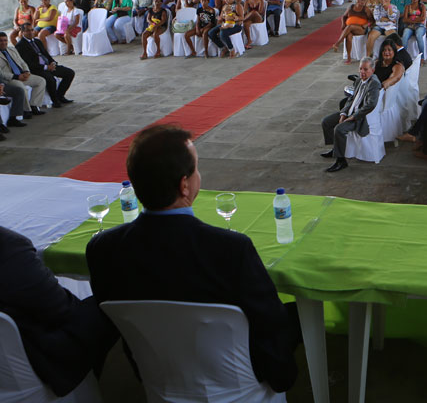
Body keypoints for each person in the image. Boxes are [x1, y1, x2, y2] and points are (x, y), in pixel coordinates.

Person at [86, 125, 301, 393]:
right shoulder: (230, 249)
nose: (199, 175)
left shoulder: (103, 249)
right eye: (196, 168)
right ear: (184, 185)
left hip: (160, 380)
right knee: (294, 315)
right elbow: (268, 324)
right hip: (239, 385)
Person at [0, 226, 117, 396]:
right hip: (38, 359)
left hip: (11, 362)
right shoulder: (8, 247)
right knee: (113, 298)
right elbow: (63, 310)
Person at [320, 58, 383, 173]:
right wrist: (343, 113)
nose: (362, 72)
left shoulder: (374, 83)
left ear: (372, 70)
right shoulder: (359, 80)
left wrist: (354, 116)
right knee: (326, 122)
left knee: (339, 129)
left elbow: (371, 104)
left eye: (365, 69)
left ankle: (341, 160)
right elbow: (350, 98)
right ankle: (336, 149)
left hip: (359, 117)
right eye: (360, 69)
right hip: (350, 112)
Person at [14, 23, 75, 106]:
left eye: (32, 30)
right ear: (22, 32)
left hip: (48, 65)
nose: (31, 32)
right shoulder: (20, 46)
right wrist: (46, 67)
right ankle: (55, 100)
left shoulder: (37, 41)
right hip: (36, 69)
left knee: (69, 73)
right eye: (27, 30)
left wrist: (52, 63)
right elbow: (28, 63)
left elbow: (46, 54)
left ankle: (60, 95)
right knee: (50, 79)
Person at [0, 31, 48, 116]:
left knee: (41, 81)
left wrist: (26, 72)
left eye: (5, 40)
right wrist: (17, 76)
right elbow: (1, 73)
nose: (3, 43)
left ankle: (34, 105)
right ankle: (26, 110)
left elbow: (22, 62)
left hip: (22, 75)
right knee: (21, 88)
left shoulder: (12, 49)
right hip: (10, 79)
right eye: (1, 41)